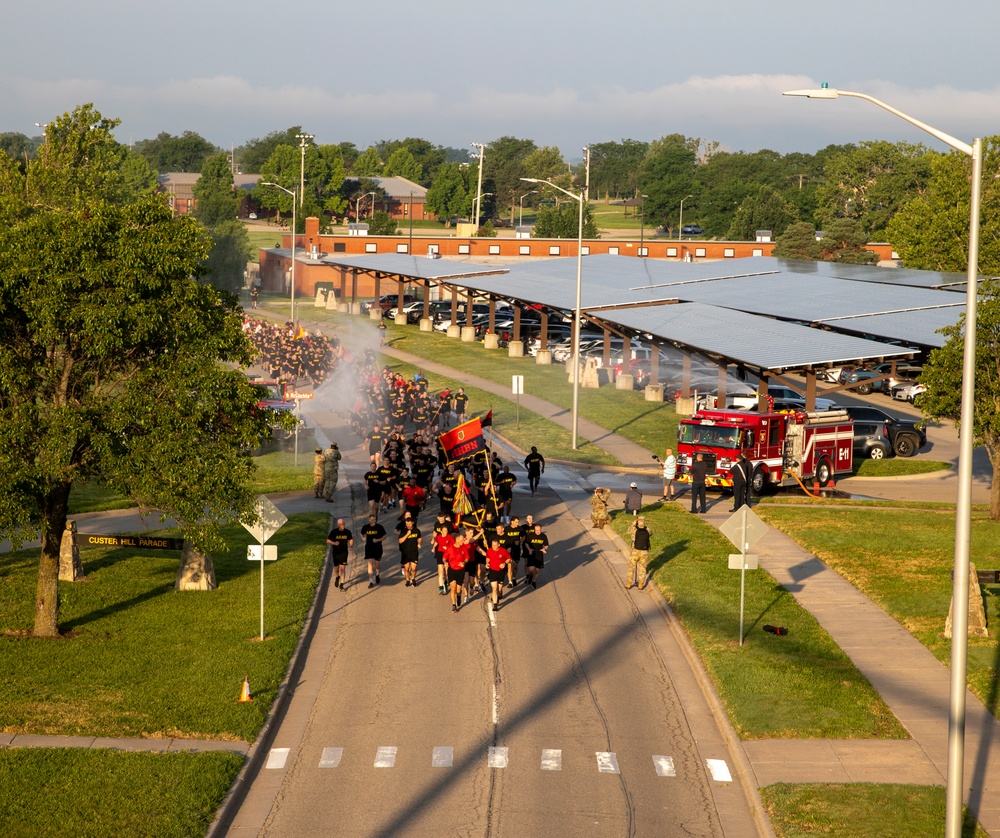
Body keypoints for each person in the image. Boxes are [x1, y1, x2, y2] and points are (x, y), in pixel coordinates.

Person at [444, 531, 469, 613]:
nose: (463, 541)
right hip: (452, 570)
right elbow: (444, 558)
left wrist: (464, 562)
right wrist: (445, 562)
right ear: (457, 540)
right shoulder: (450, 548)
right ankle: (454, 605)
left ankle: (458, 596)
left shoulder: (464, 548)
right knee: (453, 587)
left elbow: (466, 558)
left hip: (460, 571)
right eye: (462, 540)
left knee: (458, 590)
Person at [326, 518, 353, 590]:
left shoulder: (347, 532)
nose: (343, 525)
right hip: (336, 552)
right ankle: (337, 577)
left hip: (344, 552)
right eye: (341, 524)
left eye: (344, 524)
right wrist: (334, 543)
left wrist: (351, 546)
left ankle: (341, 584)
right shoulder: (334, 532)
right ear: (338, 525)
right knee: (336, 568)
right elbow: (328, 540)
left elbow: (351, 539)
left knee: (343, 568)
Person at [626, 515, 652, 590]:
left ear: (638, 521)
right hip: (644, 552)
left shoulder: (633, 529)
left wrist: (633, 524)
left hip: (635, 551)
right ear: (644, 521)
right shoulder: (648, 530)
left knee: (631, 567)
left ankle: (628, 583)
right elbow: (650, 533)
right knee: (642, 568)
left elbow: (628, 531)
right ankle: (641, 584)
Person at [361, 514, 386, 587]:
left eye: (375, 520)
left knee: (377, 565)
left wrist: (378, 540)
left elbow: (384, 536)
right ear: (369, 520)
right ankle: (371, 581)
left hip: (378, 547)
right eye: (372, 520)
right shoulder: (365, 527)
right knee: (370, 564)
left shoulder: (379, 527)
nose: (374, 521)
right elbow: (362, 534)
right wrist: (363, 538)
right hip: (369, 547)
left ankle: (377, 574)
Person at [486, 537, 511, 611]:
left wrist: (504, 563)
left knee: (499, 588)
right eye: (492, 545)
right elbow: (488, 558)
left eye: (495, 545)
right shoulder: (489, 551)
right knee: (494, 588)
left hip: (501, 572)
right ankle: (495, 605)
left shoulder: (503, 551)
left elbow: (509, 558)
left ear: (499, 545)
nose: (493, 546)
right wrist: (487, 563)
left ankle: (500, 593)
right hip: (493, 571)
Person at [523, 523, 548, 589]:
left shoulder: (543, 536)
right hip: (532, 554)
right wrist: (529, 549)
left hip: (539, 555)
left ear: (541, 529)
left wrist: (544, 549)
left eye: (539, 530)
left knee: (537, 570)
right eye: (536, 530)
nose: (537, 531)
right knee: (531, 569)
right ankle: (530, 576)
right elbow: (526, 543)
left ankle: (534, 582)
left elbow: (546, 545)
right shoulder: (530, 535)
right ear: (534, 530)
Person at [398, 517, 422, 587]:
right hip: (405, 552)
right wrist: (407, 534)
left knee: (414, 568)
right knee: (407, 568)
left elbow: (419, 538)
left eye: (409, 524)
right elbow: (400, 541)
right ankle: (407, 580)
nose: (408, 525)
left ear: (412, 523)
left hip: (414, 551)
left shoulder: (417, 530)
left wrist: (419, 543)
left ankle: (413, 578)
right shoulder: (403, 531)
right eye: (407, 524)